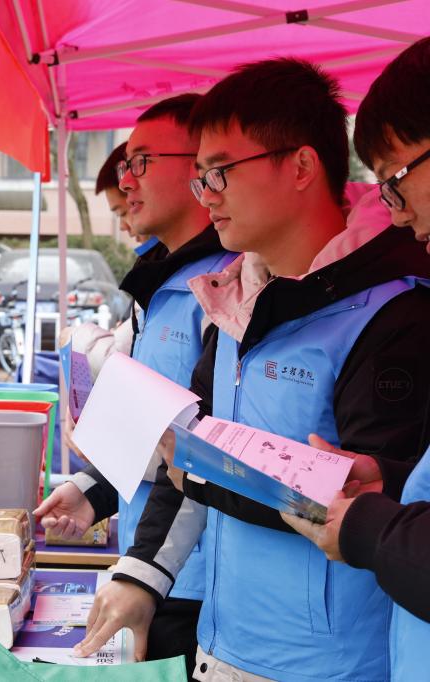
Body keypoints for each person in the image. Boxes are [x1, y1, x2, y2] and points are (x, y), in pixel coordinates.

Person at [79, 58, 430, 682]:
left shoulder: (392, 315)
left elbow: (372, 510)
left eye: (220, 172)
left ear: (301, 166)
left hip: (331, 667)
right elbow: (187, 443)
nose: (207, 194)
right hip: (222, 646)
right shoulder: (231, 301)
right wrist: (142, 574)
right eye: (200, 177)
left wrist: (202, 471)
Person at [35, 93, 236, 671]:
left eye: (141, 162)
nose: (126, 182)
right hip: (150, 567)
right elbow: (155, 433)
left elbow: (199, 449)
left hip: (192, 579)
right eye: (126, 165)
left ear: (202, 168)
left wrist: (145, 568)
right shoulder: (161, 284)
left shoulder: (226, 288)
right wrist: (93, 489)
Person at [282, 36, 430, 682]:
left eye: (394, 181)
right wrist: (390, 482)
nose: (395, 214)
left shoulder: (395, 308)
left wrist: (370, 526)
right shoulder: (224, 301)